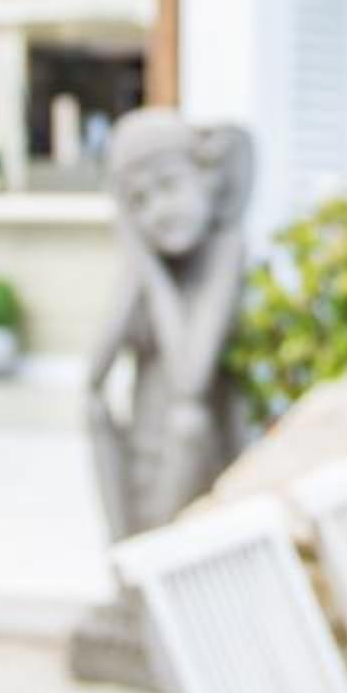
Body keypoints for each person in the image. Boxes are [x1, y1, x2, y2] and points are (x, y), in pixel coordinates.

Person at [84, 109, 256, 540]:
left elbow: (189, 380)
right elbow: (93, 375)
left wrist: (151, 273)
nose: (157, 211)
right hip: (144, 448)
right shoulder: (150, 261)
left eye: (168, 186)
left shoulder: (225, 250)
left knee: (187, 419)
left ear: (208, 179)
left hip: (197, 457)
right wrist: (136, 259)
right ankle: (124, 557)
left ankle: (154, 556)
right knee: (91, 407)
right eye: (139, 200)